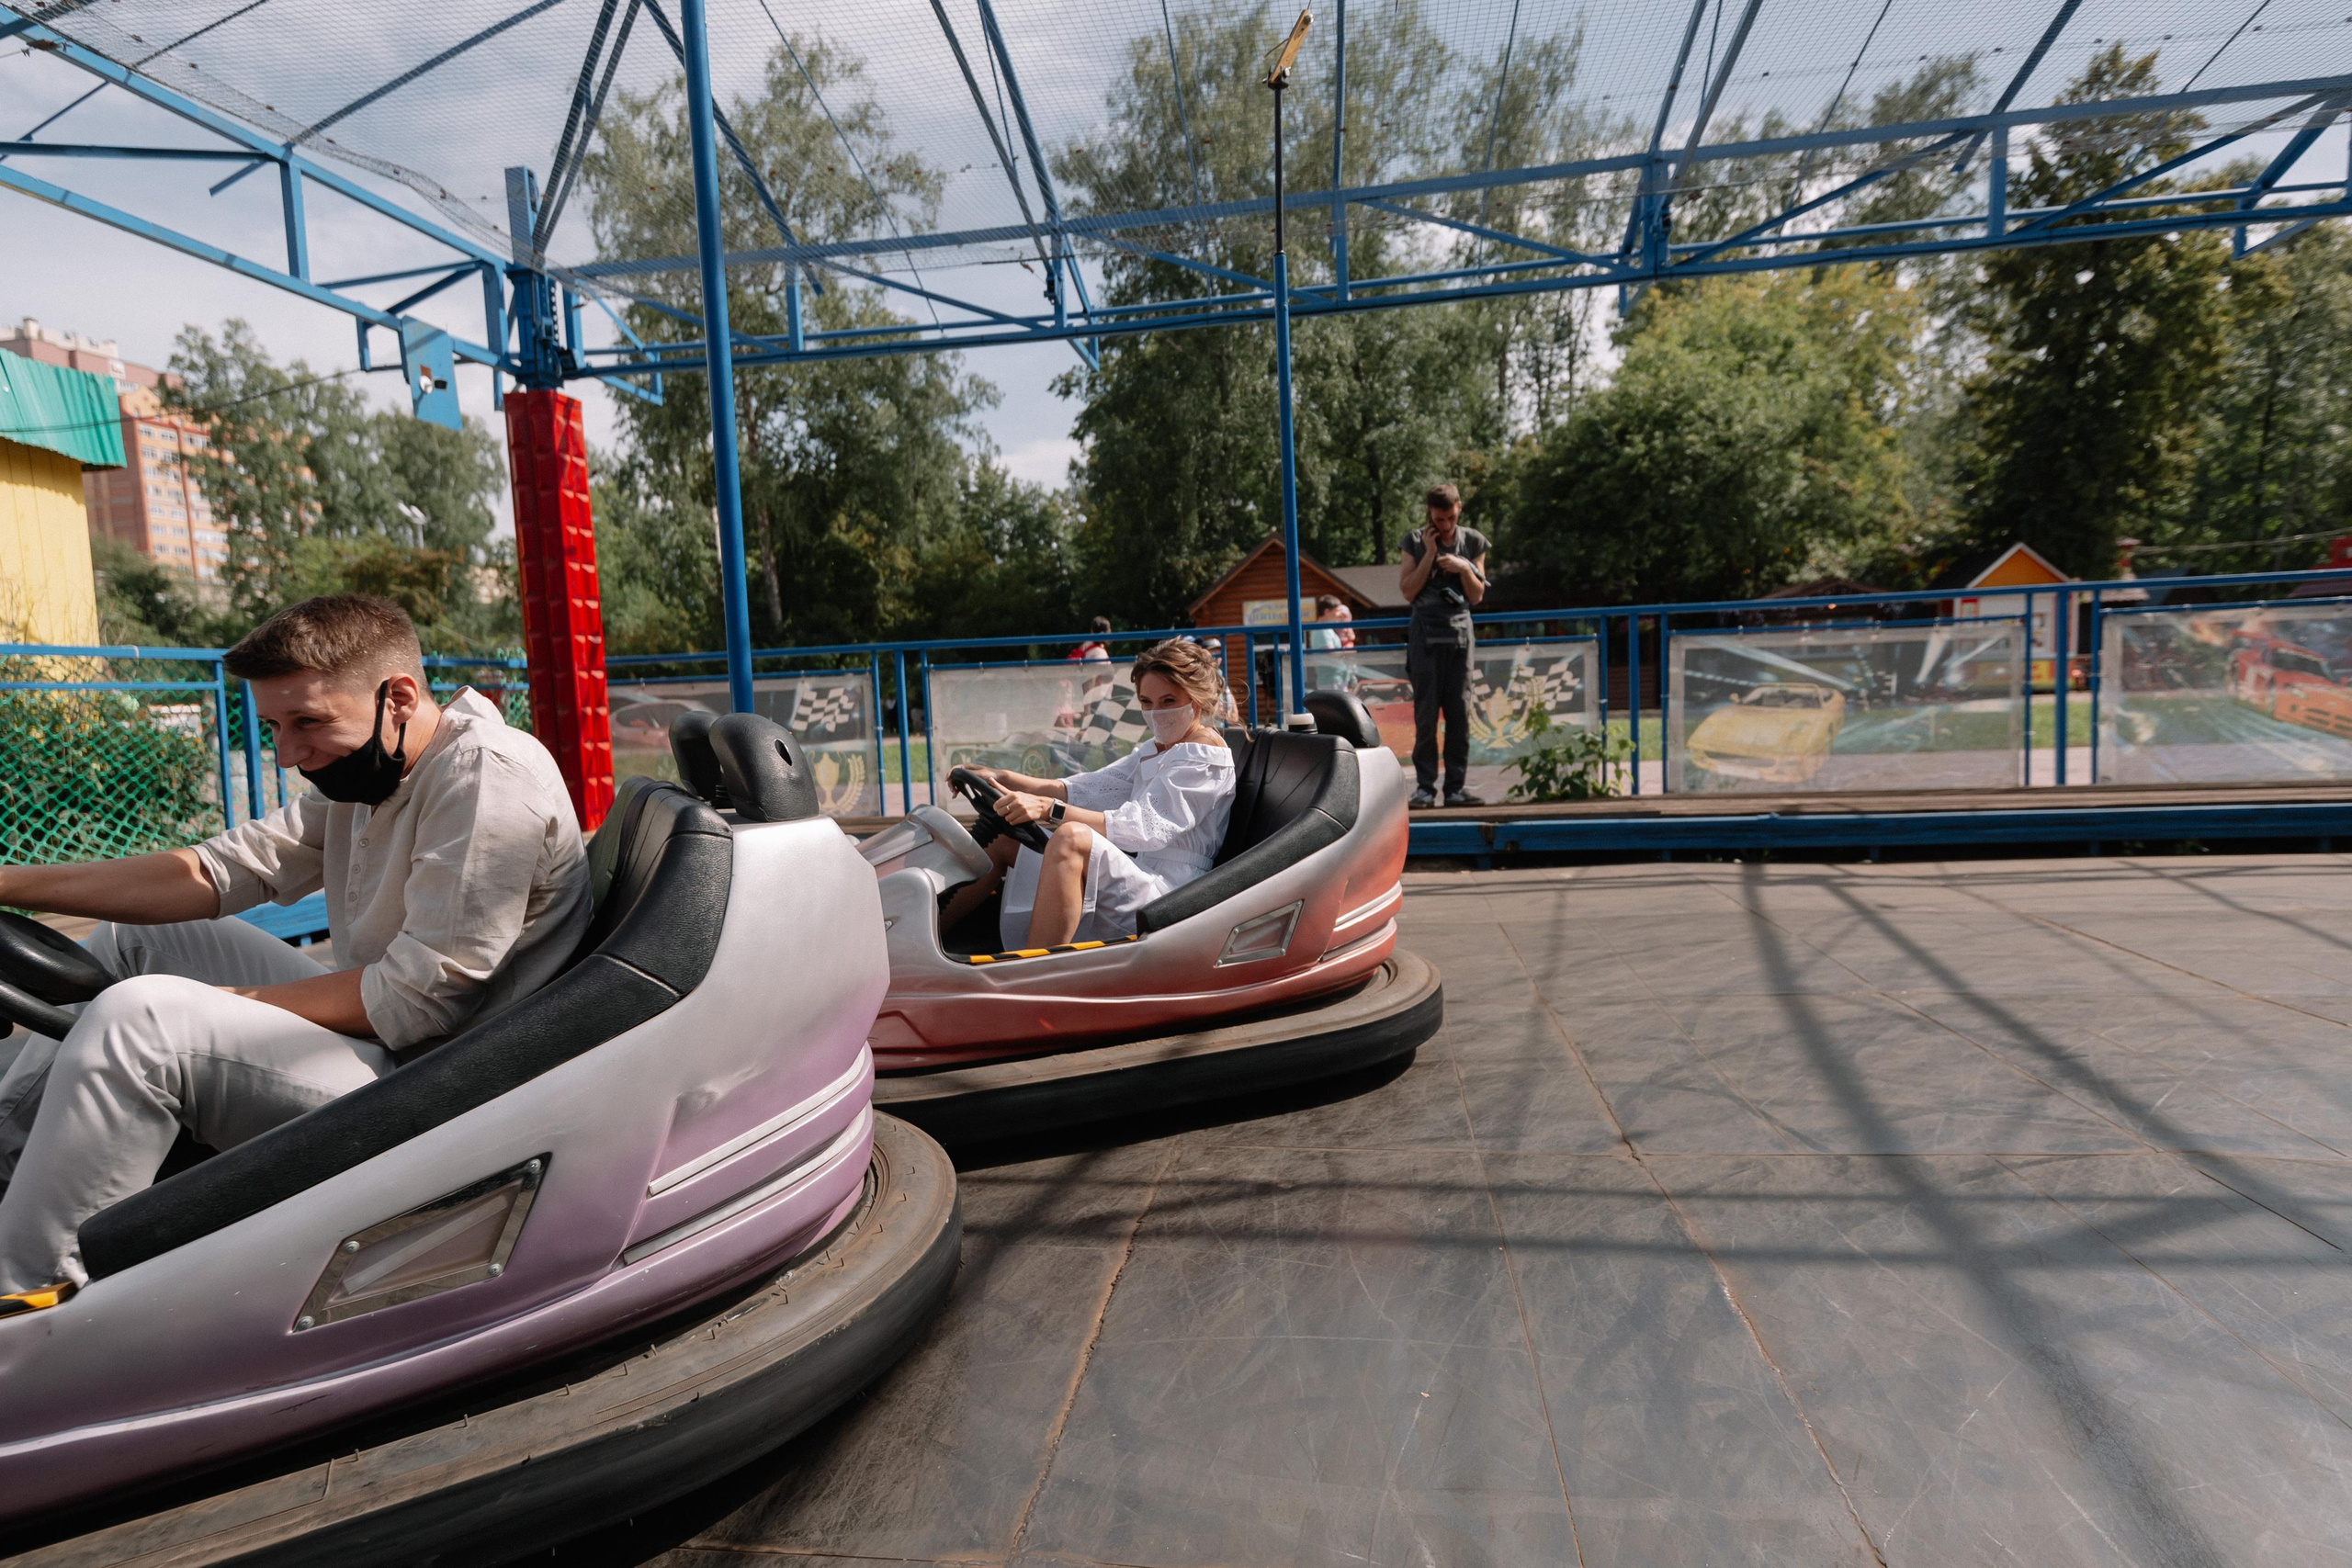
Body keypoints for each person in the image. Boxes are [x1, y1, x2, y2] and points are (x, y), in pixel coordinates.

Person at [0, 594, 590, 1297]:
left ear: (398, 696)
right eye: (276, 726)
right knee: (141, 942)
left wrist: (221, 1004)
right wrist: (10, 882)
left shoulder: (486, 775)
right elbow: (217, 870)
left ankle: (25, 1298)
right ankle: (14, 1170)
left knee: (141, 1023)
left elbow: (419, 999)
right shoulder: (374, 769)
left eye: (307, 722)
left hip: (448, 1084)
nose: (289, 753)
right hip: (401, 1035)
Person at [944, 639, 1236, 950]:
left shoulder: (1204, 753)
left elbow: (1144, 828)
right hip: (1142, 870)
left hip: (1172, 892)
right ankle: (927, 944)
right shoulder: (1155, 750)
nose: (1155, 713)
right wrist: (1002, 777)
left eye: (1168, 701)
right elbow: (1084, 788)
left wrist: (1047, 810)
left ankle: (1032, 976)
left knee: (1072, 840)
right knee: (1007, 839)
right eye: (1146, 702)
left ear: (1198, 699)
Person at [1398, 482, 1489, 807]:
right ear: (1430, 514)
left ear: (1459, 509)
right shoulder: (1413, 540)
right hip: (1424, 632)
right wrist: (1432, 555)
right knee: (1425, 715)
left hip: (1460, 634)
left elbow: (1477, 595)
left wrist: (1464, 566)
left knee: (1459, 714)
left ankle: (1455, 789)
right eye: (1439, 519)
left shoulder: (1474, 540)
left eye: (1450, 518)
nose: (1446, 525)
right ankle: (1425, 788)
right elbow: (1408, 591)